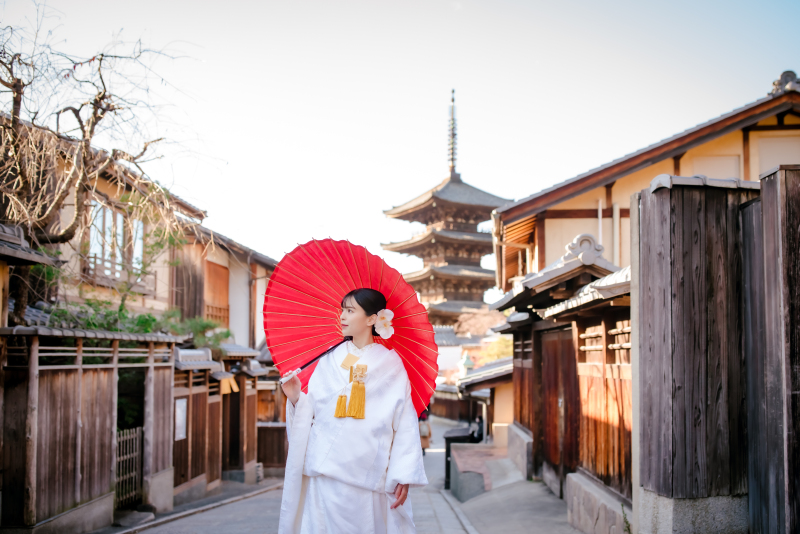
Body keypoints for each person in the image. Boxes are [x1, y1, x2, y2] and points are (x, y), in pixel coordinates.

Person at [279, 288, 428, 534]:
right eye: (342, 311)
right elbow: (314, 410)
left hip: (368, 471)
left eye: (350, 311)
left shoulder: (390, 364)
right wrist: (296, 397)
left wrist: (403, 473)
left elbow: (404, 422)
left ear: (372, 319)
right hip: (325, 468)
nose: (342, 317)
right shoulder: (329, 359)